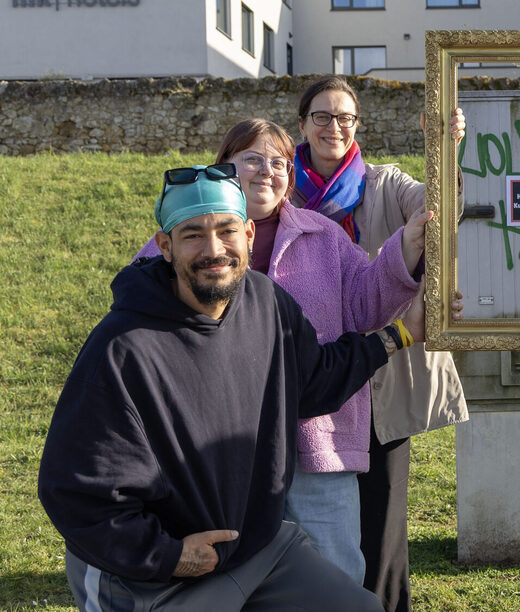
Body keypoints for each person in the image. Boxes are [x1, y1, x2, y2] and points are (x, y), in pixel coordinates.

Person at [38, 166, 426, 611]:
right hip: (151, 575)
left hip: (258, 549)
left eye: (226, 231)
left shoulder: (266, 302)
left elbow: (314, 383)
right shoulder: (122, 347)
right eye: (192, 235)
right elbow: (73, 491)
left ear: (248, 233)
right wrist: (169, 556)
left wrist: (399, 334)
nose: (213, 249)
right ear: (164, 246)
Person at [133, 118, 425, 584]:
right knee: (237, 579)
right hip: (219, 448)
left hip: (316, 439)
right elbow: (142, 310)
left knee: (335, 575)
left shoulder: (323, 235)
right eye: (251, 159)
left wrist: (406, 248)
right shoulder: (182, 237)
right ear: (224, 167)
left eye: (279, 163)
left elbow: (367, 302)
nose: (267, 171)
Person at [290, 74, 469, 611]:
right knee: (314, 521)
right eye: (322, 116)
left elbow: (443, 208)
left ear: (357, 126)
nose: (334, 127)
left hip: (382, 372)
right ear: (302, 125)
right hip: (317, 380)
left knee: (382, 523)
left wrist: (445, 149)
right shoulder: (284, 191)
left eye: (345, 117)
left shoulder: (384, 183)